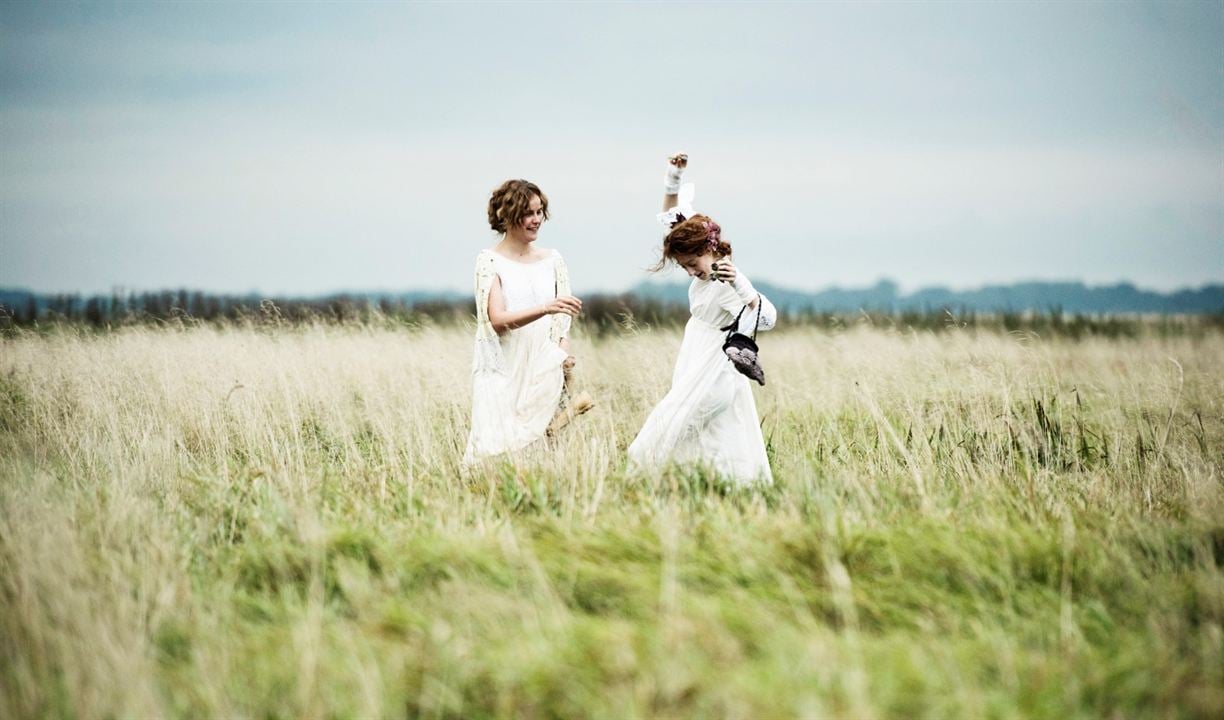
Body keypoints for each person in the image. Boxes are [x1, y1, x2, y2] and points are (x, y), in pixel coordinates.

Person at [627, 154, 777, 485]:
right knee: (709, 435)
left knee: (667, 431)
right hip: (695, 358)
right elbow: (671, 218)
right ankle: (706, 488)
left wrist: (740, 283)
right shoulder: (698, 246)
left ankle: (651, 482)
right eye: (685, 267)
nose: (691, 271)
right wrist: (673, 177)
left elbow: (766, 317)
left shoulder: (726, 278)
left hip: (713, 369)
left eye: (693, 263)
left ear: (710, 249)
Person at [463, 179, 592, 463]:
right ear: (507, 217)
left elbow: (562, 321)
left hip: (543, 363)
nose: (537, 220)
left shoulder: (553, 260)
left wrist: (562, 354)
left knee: (543, 446)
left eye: (539, 212)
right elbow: (496, 320)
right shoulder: (489, 261)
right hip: (505, 365)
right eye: (529, 214)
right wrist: (545, 308)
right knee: (496, 446)